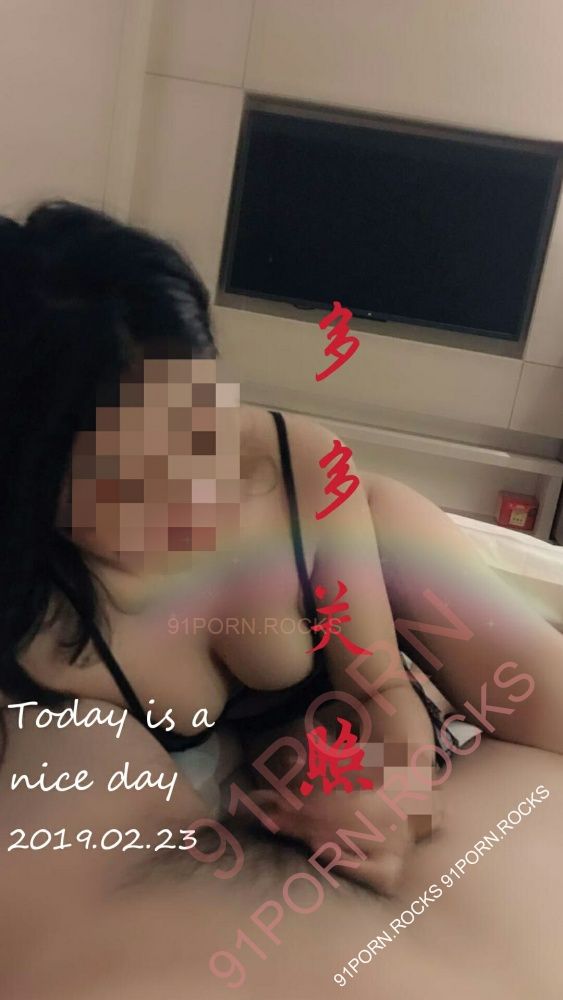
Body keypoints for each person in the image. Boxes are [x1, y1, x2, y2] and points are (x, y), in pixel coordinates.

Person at [1, 199, 562, 897]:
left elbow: (378, 685)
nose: (191, 488)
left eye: (200, 427)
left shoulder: (299, 464)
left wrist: (400, 788)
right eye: (128, 476)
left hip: (386, 556)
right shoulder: (32, 615)